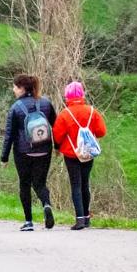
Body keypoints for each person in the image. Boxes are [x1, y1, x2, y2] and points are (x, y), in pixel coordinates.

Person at [0, 72, 58, 231]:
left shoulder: (15, 108)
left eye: (15, 87)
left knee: (24, 184)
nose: (13, 89)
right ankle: (46, 204)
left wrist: (4, 157)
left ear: (22, 88)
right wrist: (57, 146)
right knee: (40, 183)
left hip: (23, 152)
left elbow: (9, 135)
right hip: (44, 150)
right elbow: (56, 126)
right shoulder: (46, 103)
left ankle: (28, 221)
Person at [52, 81, 107, 230]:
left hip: (71, 154)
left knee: (75, 185)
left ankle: (80, 219)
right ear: (82, 95)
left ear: (67, 97)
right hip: (88, 153)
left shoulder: (65, 114)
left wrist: (57, 148)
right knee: (85, 184)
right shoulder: (92, 111)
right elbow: (102, 131)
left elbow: (57, 136)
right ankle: (87, 218)